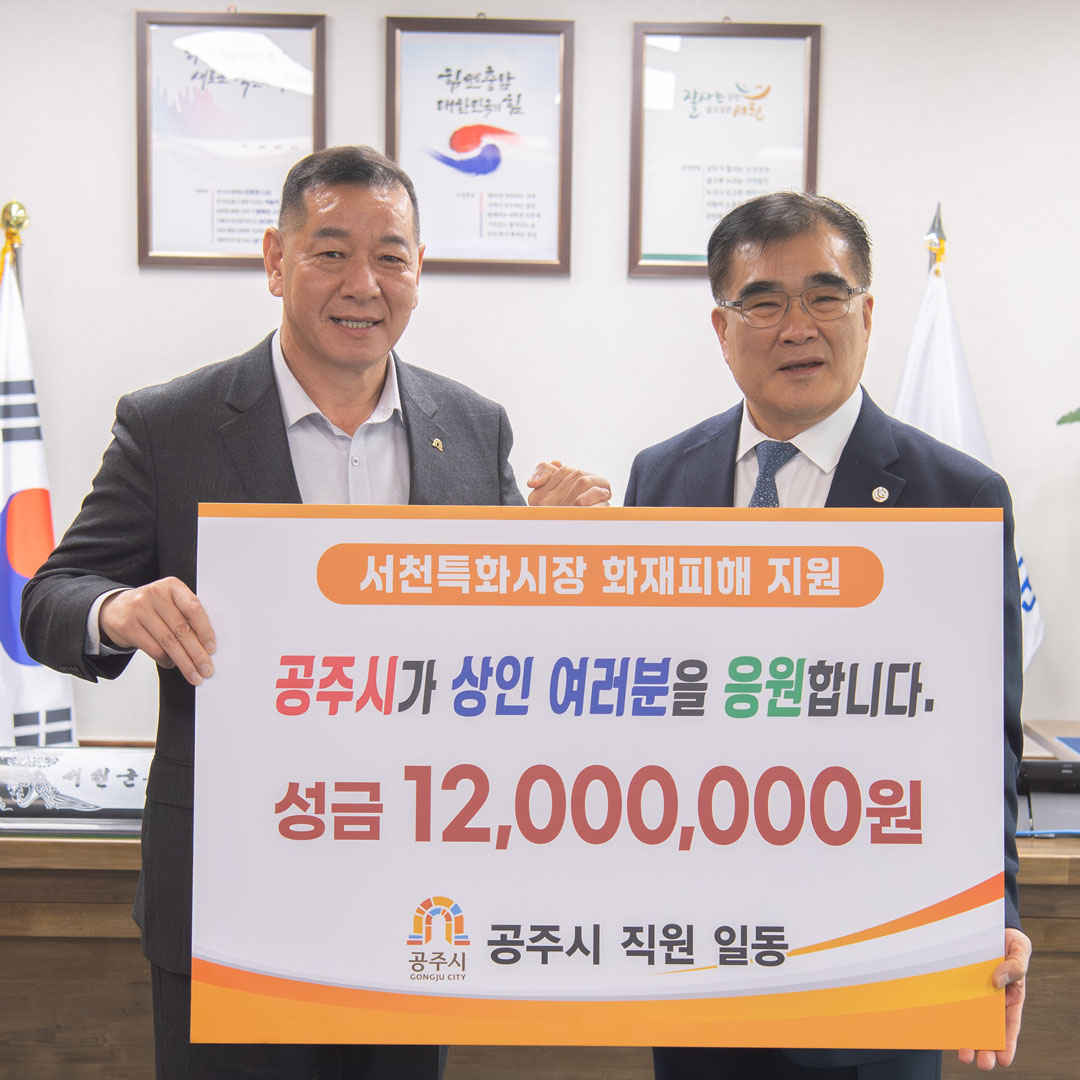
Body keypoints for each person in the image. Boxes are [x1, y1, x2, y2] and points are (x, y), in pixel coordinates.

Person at [20, 145, 608, 1080]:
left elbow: (500, 645)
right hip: (231, 893)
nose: (363, 283)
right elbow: (50, 598)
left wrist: (555, 556)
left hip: (416, 888)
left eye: (392, 256)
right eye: (331, 252)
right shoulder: (170, 424)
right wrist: (118, 608)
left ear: (420, 271)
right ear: (275, 260)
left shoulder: (473, 428)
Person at [624, 192, 1030, 1080]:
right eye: (763, 302)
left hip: (876, 960)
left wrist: (992, 913)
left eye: (825, 295)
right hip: (698, 960)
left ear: (868, 313)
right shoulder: (660, 478)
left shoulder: (956, 496)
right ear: (722, 328)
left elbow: (982, 740)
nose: (798, 326)